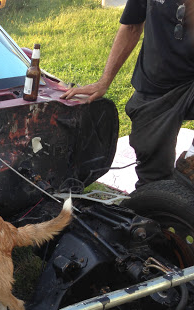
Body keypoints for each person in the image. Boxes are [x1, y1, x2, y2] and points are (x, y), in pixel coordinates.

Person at [61, 0, 194, 189]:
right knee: (152, 178)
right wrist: (104, 81)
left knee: (188, 175)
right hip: (156, 84)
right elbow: (131, 26)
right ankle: (158, 208)